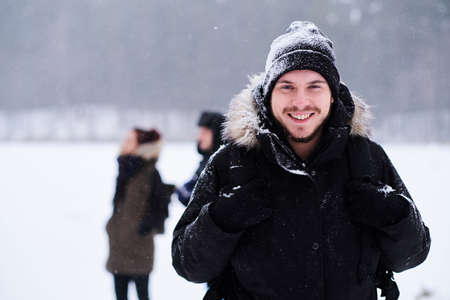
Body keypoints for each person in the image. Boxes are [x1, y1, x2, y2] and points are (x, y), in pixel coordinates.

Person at [171, 21, 430, 300]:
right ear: (268, 95)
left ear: (333, 95)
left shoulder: (367, 159)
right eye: (287, 87)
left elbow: (412, 255)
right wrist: (222, 219)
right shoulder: (233, 162)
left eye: (314, 86)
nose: (301, 101)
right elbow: (188, 265)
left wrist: (394, 216)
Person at [106, 128, 174, 300]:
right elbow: (118, 207)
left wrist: (144, 227)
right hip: (119, 246)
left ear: (141, 146)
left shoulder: (150, 172)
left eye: (130, 140)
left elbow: (161, 207)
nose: (125, 143)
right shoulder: (124, 170)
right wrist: (111, 226)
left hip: (139, 249)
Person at [175, 111, 225, 206]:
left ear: (217, 134)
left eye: (205, 133)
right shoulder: (206, 161)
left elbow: (201, 200)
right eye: (200, 132)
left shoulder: (220, 164)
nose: (200, 137)